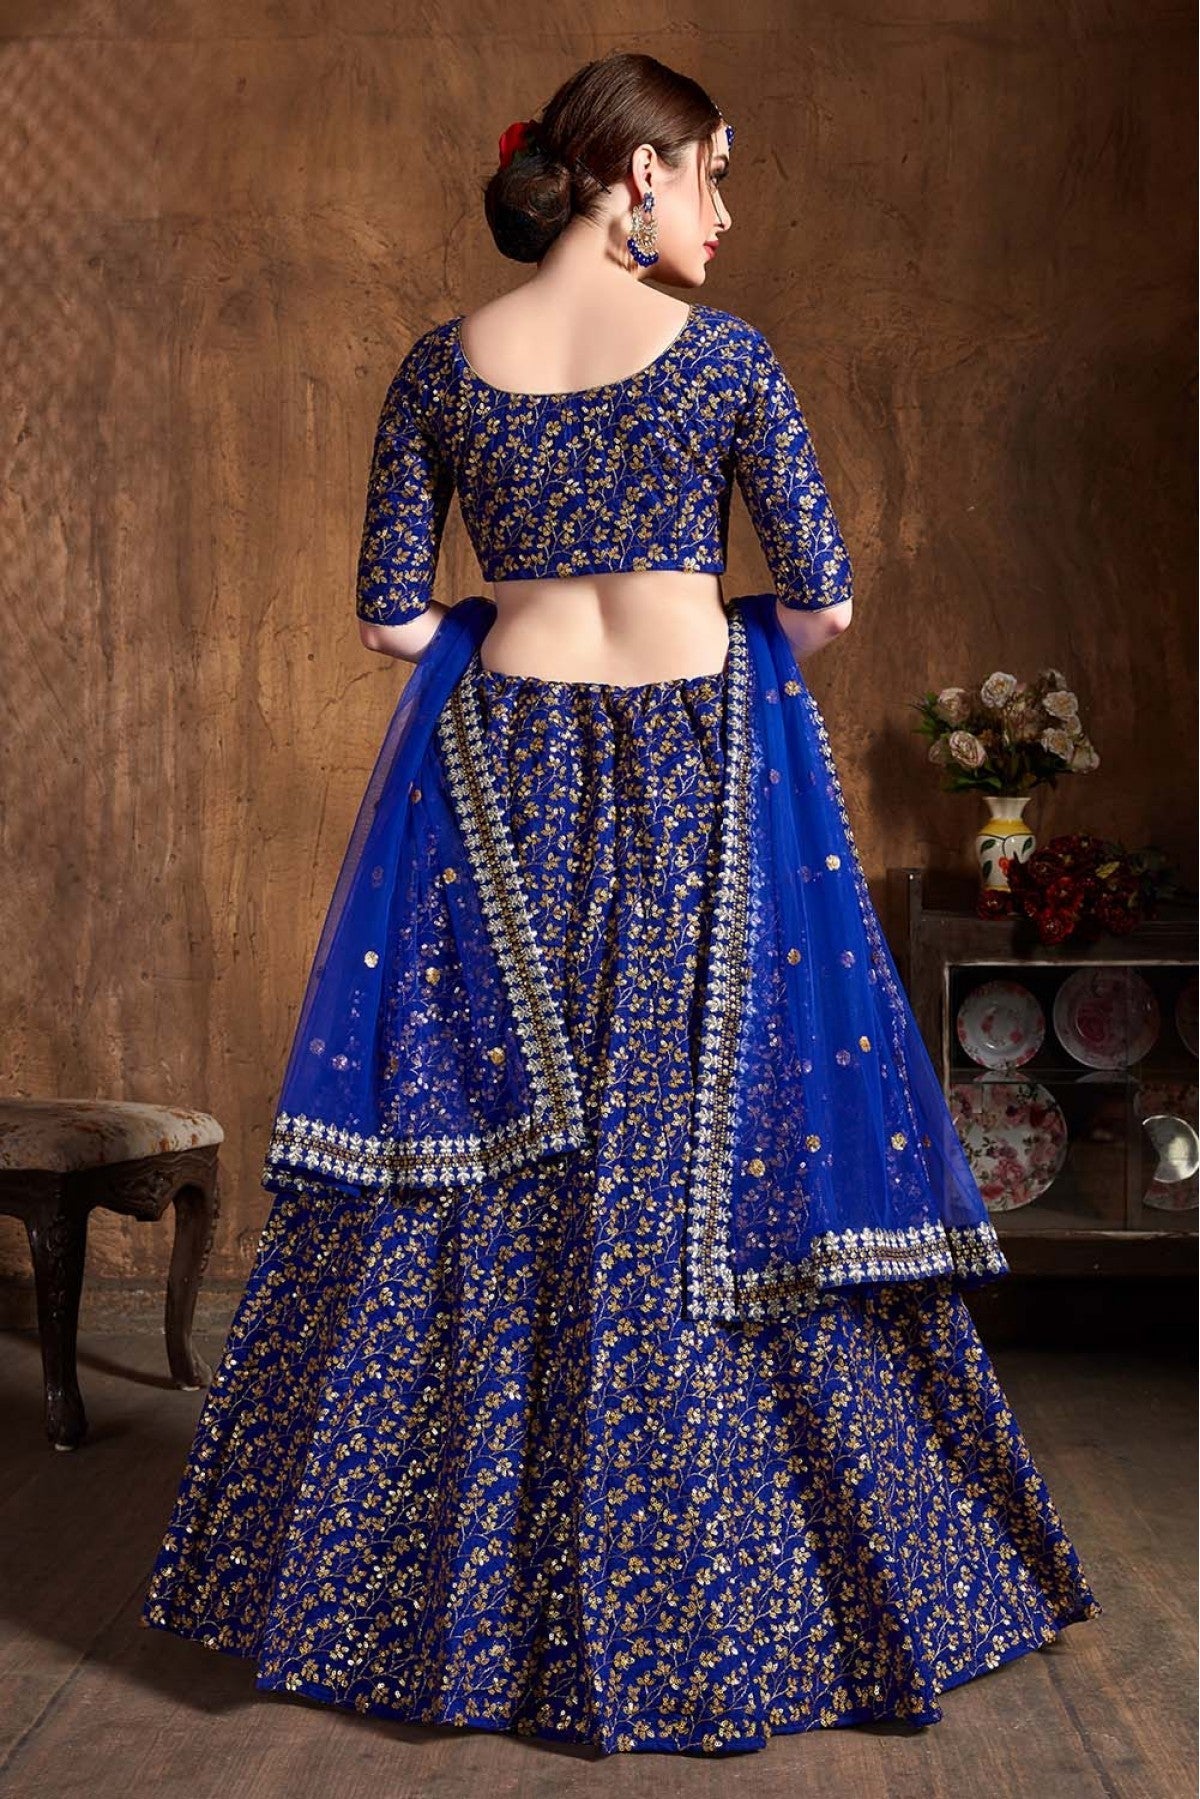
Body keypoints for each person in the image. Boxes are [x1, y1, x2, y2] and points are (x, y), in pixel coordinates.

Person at [139, 50, 1101, 1758]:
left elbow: (387, 620)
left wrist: (509, 630)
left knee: (489, 1153)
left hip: (497, 773)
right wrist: (698, 628)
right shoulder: (724, 360)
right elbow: (823, 603)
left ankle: (431, 1611)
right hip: (695, 771)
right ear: (638, 173)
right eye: (715, 174)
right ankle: (717, 1595)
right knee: (684, 1149)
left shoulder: (442, 363)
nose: (725, 214)